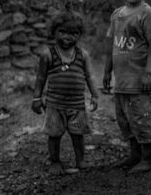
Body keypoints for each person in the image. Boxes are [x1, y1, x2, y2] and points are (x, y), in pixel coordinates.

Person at [102, 0, 151, 173]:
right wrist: (106, 72)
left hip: (141, 82)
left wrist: (149, 73)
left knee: (144, 119)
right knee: (126, 120)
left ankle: (148, 159)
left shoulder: (148, 14)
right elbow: (112, 45)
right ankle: (134, 155)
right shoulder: (117, 14)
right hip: (122, 82)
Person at [32, 11, 100, 175]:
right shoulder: (48, 54)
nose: (67, 37)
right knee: (54, 134)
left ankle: (81, 160)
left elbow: (89, 76)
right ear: (53, 32)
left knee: (78, 134)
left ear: (79, 35)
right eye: (62, 32)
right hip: (55, 104)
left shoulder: (83, 55)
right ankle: (55, 161)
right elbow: (41, 77)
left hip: (77, 104)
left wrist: (95, 95)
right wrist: (36, 97)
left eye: (73, 33)